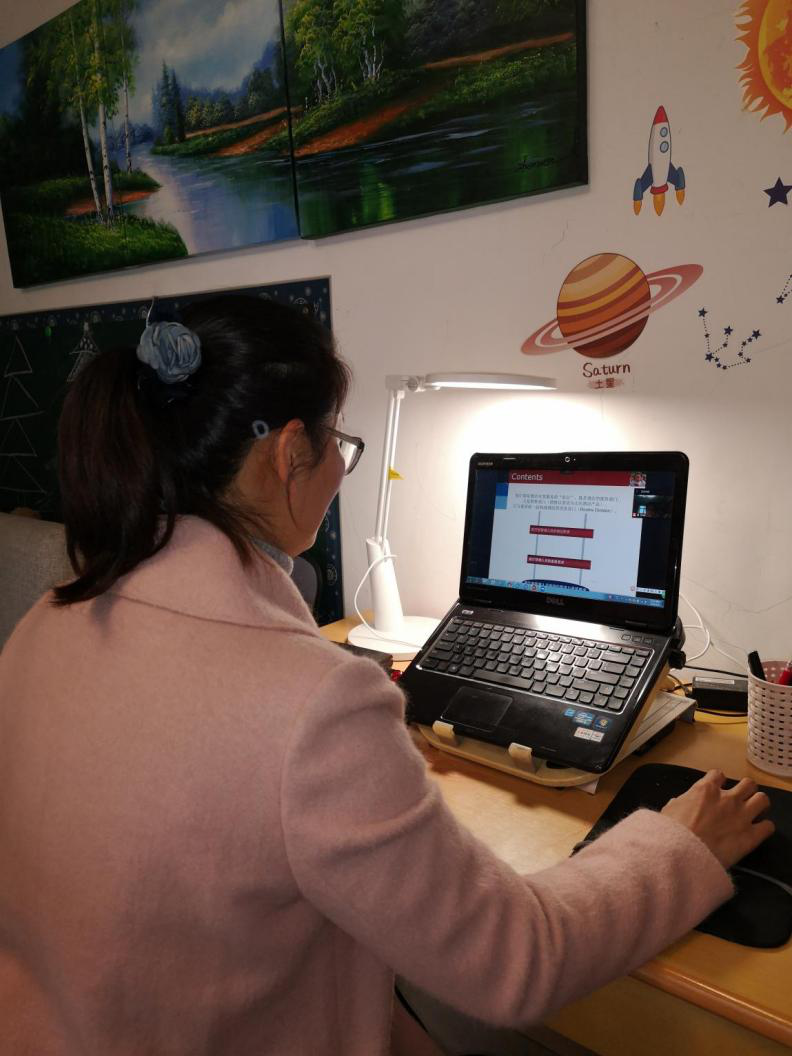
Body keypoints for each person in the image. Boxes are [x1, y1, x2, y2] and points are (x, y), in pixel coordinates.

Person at [0, 295, 774, 1056]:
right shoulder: (314, 704)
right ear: (289, 453)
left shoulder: (46, 622)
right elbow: (518, 959)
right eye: (339, 441)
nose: (342, 464)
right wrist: (680, 845)